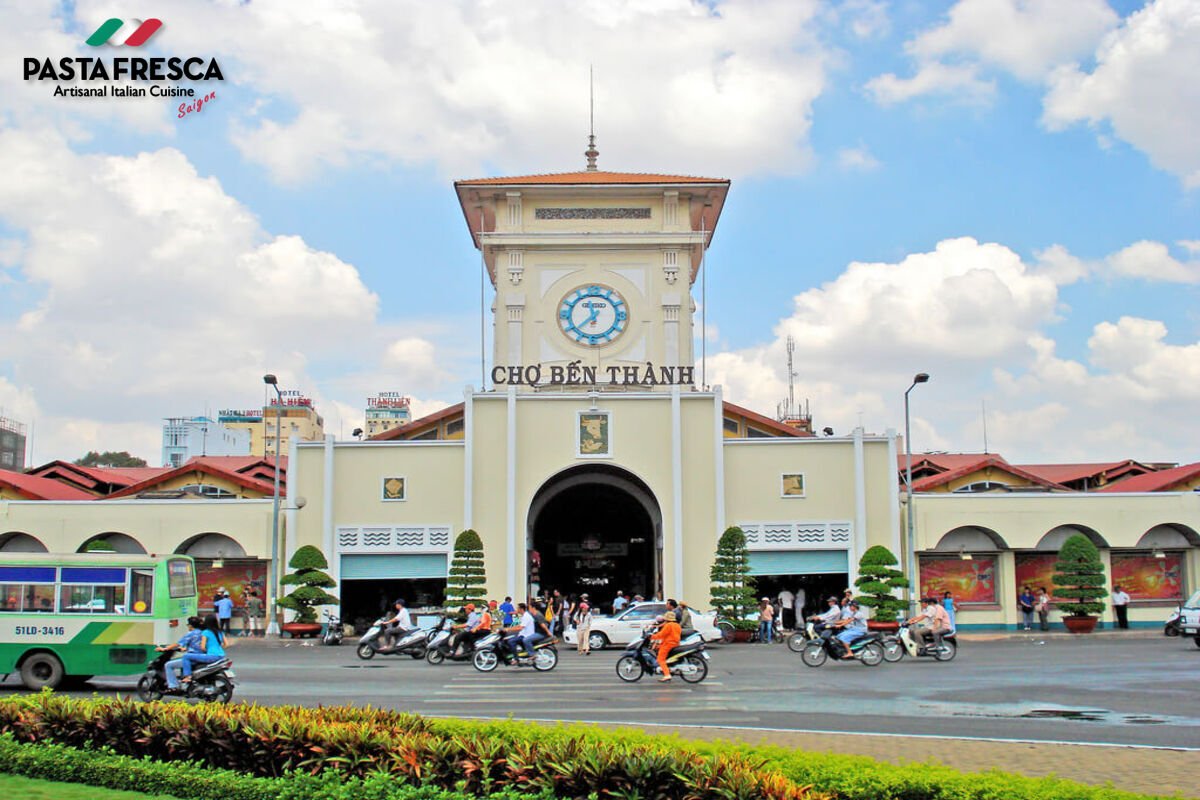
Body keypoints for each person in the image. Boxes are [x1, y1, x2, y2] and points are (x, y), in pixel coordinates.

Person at [158, 616, 203, 691]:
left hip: (192, 658)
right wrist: (184, 649)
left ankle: (173, 686)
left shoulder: (191, 634)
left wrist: (165, 648)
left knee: (168, 665)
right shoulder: (202, 632)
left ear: (190, 626)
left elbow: (178, 643)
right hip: (201, 656)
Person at [180, 614, 225, 685]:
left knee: (186, 656)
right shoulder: (220, 632)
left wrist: (207, 651)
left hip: (211, 656)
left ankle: (187, 676)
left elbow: (202, 647)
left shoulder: (206, 632)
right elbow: (226, 644)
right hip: (221, 655)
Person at [650, 610, 682, 682]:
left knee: (660, 659)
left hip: (668, 644)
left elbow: (661, 634)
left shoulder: (668, 625)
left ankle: (667, 675)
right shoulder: (677, 625)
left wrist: (652, 637)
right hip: (675, 643)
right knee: (658, 648)